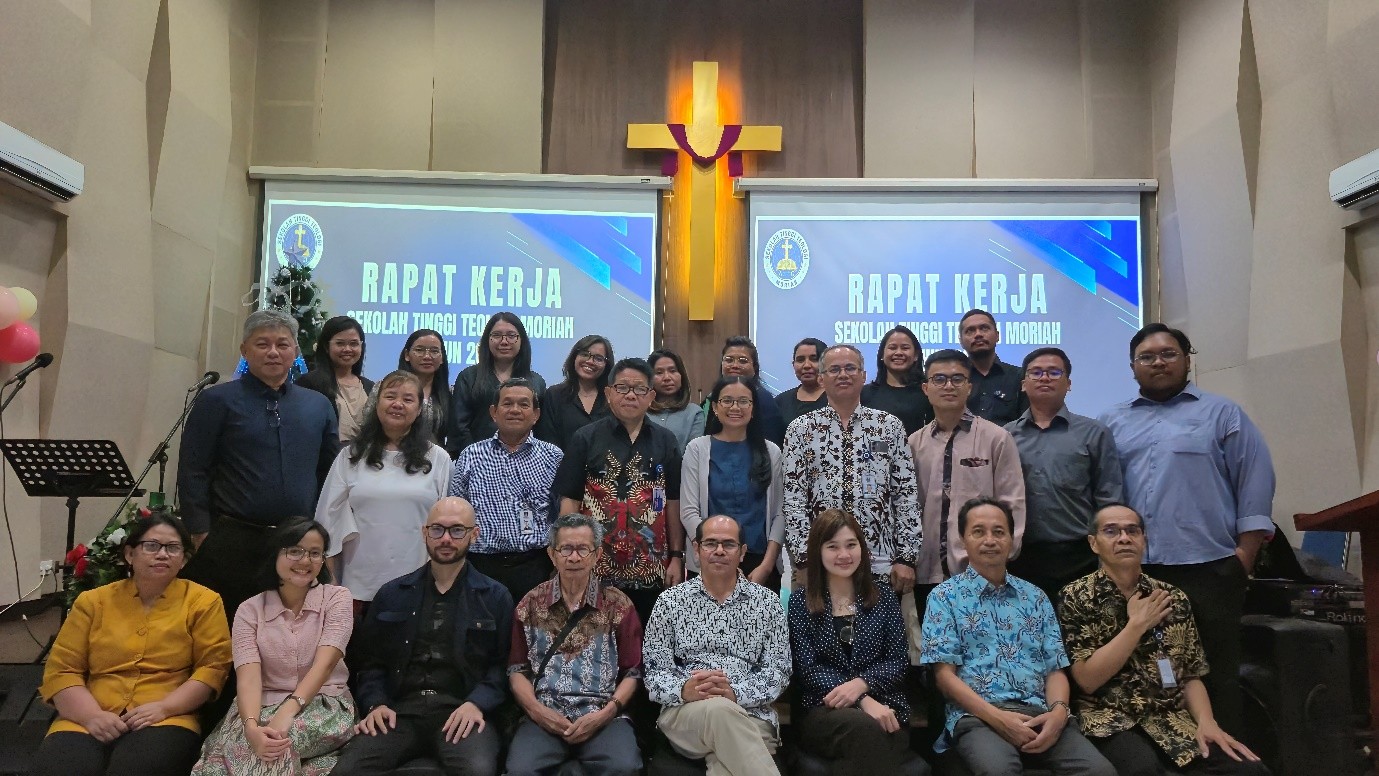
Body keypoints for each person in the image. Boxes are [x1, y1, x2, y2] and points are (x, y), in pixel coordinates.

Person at [1098, 323, 1276, 736]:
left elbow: (1255, 485)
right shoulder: (1111, 422)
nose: (1158, 362)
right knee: (1148, 672)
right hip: (1139, 574)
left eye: (1168, 353)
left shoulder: (1223, 413)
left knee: (1215, 672)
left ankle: (1223, 756)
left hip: (1209, 567)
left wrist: (1242, 560)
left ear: (1187, 359)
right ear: (1132, 367)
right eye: (1147, 356)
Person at [1059, 504, 1270, 776]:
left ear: (1144, 540)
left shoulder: (1172, 597)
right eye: (1111, 531)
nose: (1124, 538)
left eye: (1132, 531)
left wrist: (1207, 722)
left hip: (1171, 718)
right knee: (1143, 769)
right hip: (1110, 720)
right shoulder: (1076, 597)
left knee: (1249, 770)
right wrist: (1136, 626)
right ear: (1094, 543)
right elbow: (1087, 679)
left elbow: (1191, 674)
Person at [920, 498, 1114, 776]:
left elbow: (1056, 668)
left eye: (999, 531)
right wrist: (999, 719)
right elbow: (944, 677)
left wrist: (1059, 715)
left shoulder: (1035, 596)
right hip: (979, 717)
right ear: (963, 539)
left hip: (1041, 714)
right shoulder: (944, 597)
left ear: (1011, 539)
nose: (990, 540)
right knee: (999, 771)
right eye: (979, 531)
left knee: (1100, 772)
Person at [37, 509, 232, 776]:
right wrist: (91, 716)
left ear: (184, 560)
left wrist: (166, 707)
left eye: (173, 548)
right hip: (89, 710)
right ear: (130, 554)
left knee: (138, 768)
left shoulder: (204, 602)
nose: (162, 554)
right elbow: (62, 670)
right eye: (151, 546)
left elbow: (212, 669)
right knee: (61, 768)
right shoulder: (93, 602)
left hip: (167, 715)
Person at [332, 497, 512, 776]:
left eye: (457, 530)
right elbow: (370, 664)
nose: (446, 539)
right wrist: (375, 703)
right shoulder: (392, 594)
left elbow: (502, 667)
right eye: (437, 529)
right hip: (399, 711)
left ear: (474, 535)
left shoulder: (495, 597)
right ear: (425, 532)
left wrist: (477, 704)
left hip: (460, 711)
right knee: (347, 771)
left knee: (477, 771)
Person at [179, 309, 339, 622]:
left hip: (299, 540)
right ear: (245, 351)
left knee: (291, 628)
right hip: (231, 539)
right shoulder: (217, 401)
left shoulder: (317, 405)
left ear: (295, 351)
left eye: (282, 344)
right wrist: (200, 532)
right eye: (262, 344)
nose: (273, 352)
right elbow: (193, 469)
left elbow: (330, 473)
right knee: (226, 628)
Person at [192, 517, 356, 775]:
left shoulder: (337, 599)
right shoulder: (249, 610)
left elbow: (324, 666)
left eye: (315, 553)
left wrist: (287, 712)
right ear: (275, 553)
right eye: (295, 551)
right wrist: (251, 726)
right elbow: (248, 679)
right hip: (259, 706)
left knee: (274, 747)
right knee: (214, 764)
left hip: (323, 704)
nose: (305, 561)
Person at [642, 516, 791, 776]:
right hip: (686, 715)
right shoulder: (670, 602)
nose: (719, 551)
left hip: (752, 715)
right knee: (721, 714)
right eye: (710, 543)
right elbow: (654, 674)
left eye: (728, 544)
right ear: (696, 550)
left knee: (727, 757)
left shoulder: (767, 603)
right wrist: (684, 689)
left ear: (743, 553)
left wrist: (734, 693)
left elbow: (778, 672)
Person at [505, 514, 643, 776]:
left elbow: (633, 672)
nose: (574, 557)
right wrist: (537, 711)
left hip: (603, 715)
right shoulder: (530, 604)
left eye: (583, 549)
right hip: (545, 714)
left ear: (597, 554)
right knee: (521, 770)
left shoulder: (618, 605)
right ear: (552, 554)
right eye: (566, 549)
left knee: (624, 767)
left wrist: (605, 714)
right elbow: (516, 669)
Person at [787, 510, 921, 776]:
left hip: (886, 706)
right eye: (833, 546)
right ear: (818, 551)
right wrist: (861, 700)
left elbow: (897, 661)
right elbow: (808, 670)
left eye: (851, 545)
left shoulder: (884, 597)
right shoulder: (800, 603)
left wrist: (863, 685)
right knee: (864, 730)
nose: (844, 555)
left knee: (864, 750)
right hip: (825, 709)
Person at [782, 344, 921, 598]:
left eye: (850, 368)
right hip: (820, 561)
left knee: (879, 636)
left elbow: (906, 494)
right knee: (825, 637)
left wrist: (907, 557)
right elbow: (793, 498)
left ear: (864, 376)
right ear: (822, 378)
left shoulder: (888, 426)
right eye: (834, 369)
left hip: (881, 562)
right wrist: (803, 559)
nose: (843, 374)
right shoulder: (801, 429)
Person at [554, 357, 684, 626]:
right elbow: (570, 502)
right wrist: (565, 554)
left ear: (651, 396)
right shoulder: (585, 438)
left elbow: (673, 502)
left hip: (652, 568)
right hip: (595, 567)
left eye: (639, 389)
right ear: (609, 393)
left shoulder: (665, 440)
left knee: (647, 643)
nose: (630, 395)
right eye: (623, 388)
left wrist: (676, 557)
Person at [316, 370, 451, 614]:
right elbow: (328, 520)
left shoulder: (438, 458)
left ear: (420, 409)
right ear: (376, 404)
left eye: (408, 399)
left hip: (418, 586)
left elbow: (448, 526)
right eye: (390, 396)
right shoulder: (351, 455)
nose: (398, 404)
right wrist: (331, 581)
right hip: (357, 585)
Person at [1005, 347, 1123, 600]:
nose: (1044, 378)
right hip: (1021, 558)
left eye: (1054, 372)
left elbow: (1109, 498)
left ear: (1068, 383)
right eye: (1036, 372)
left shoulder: (1094, 433)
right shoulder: (1005, 436)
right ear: (1024, 384)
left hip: (1080, 556)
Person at [910, 349, 1025, 596]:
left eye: (957, 379)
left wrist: (1001, 556)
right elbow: (908, 507)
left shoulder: (997, 439)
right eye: (939, 379)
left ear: (969, 387)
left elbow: (1012, 503)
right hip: (926, 572)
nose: (948, 386)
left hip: (981, 572)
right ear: (925, 388)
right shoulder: (914, 444)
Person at [450, 377, 564, 603]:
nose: (515, 410)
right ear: (493, 412)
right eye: (507, 403)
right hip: (480, 565)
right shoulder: (471, 455)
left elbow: (564, 514)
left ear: (536, 415)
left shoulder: (553, 457)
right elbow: (456, 512)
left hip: (535, 566)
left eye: (523, 404)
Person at [682, 376, 785, 590]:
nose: (735, 407)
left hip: (759, 565)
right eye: (727, 400)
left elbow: (779, 514)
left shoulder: (771, 452)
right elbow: (689, 511)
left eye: (743, 401)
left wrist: (766, 566)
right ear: (716, 408)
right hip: (709, 561)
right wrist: (707, 552)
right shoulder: (697, 449)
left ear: (753, 408)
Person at [448, 312, 548, 456]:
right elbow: (459, 427)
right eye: (496, 335)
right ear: (487, 340)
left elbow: (540, 429)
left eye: (511, 335)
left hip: (526, 461)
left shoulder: (536, 382)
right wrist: (477, 457)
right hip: (477, 460)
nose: (504, 341)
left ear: (522, 341)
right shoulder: (469, 377)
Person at [295, 315, 375, 443]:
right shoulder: (309, 384)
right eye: (340, 343)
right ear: (327, 347)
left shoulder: (370, 387)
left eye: (354, 344)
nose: (347, 349)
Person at [696, 336, 787, 444]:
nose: (735, 365)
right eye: (729, 360)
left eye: (743, 361)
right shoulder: (713, 398)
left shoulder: (763, 399)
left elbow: (770, 445)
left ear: (755, 368)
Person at [537, 334, 613, 451]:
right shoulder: (554, 395)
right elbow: (547, 441)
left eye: (598, 358)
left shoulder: (612, 398)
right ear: (574, 357)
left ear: (606, 365)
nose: (590, 361)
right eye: (584, 354)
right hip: (562, 467)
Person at [958, 308, 1028, 426]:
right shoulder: (954, 380)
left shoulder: (1019, 376)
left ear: (997, 335)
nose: (978, 334)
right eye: (970, 331)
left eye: (984, 328)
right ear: (961, 341)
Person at [861, 325, 934, 436]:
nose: (898, 353)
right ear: (882, 354)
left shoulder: (928, 392)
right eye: (892, 347)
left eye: (905, 348)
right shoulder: (865, 394)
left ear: (916, 356)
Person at [397, 328, 453, 448]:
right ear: (407, 355)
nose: (427, 356)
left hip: (435, 461)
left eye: (434, 351)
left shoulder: (450, 394)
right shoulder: (386, 388)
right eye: (419, 350)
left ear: (442, 357)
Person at [646, 348, 704, 452]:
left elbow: (694, 455)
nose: (667, 377)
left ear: (681, 375)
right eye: (659, 372)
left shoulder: (694, 413)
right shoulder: (641, 411)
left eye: (672, 371)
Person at [774, 337, 828, 429]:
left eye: (814, 359)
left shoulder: (838, 399)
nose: (806, 365)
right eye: (800, 360)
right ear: (793, 365)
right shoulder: (781, 401)